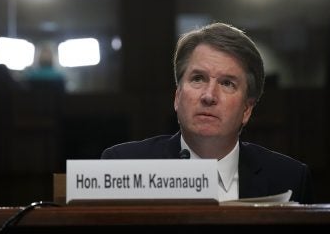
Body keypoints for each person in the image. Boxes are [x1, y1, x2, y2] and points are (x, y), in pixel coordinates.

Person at [101, 22, 313, 204]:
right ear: (178, 97)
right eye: (198, 78)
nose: (209, 95)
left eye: (227, 83)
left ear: (247, 109)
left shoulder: (289, 178)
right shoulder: (123, 165)